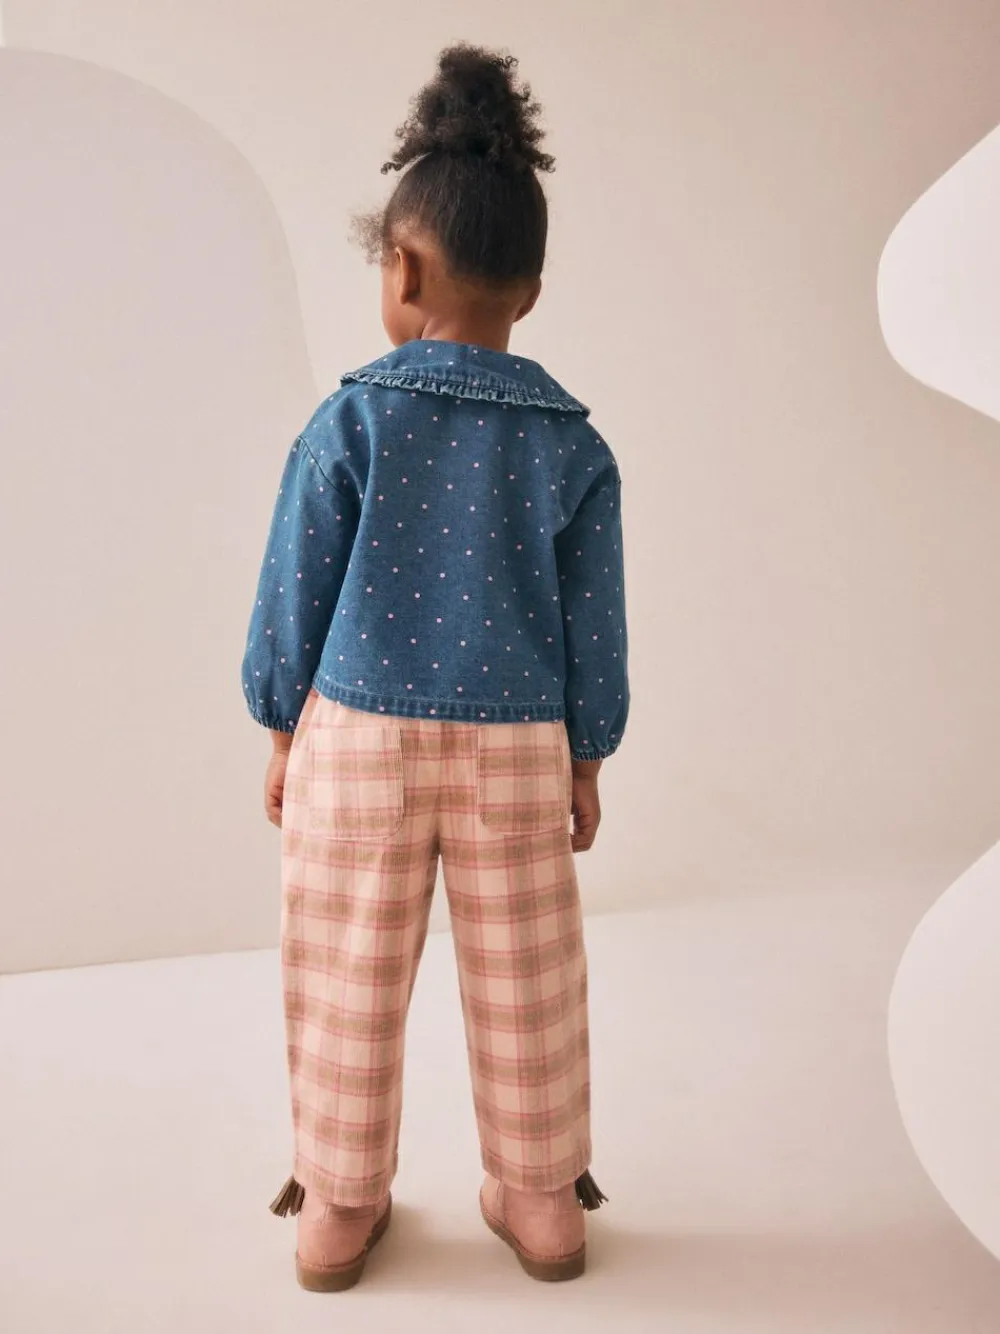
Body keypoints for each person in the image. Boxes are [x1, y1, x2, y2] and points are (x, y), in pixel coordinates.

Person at [242, 43, 628, 1291]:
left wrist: (282, 726)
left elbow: (294, 586)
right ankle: (542, 1198)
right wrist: (586, 755)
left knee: (347, 971)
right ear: (530, 290)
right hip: (517, 747)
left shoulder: (352, 416)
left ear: (400, 269)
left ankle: (338, 1202)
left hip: (358, 737)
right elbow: (593, 621)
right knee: (528, 981)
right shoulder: (571, 444)